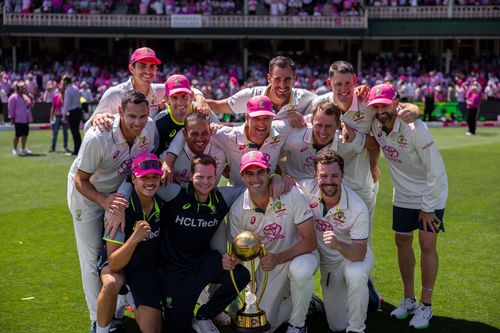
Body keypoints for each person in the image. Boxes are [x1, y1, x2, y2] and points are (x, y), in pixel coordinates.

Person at [67, 90, 157, 333]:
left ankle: (116, 308)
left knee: (114, 251)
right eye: (131, 116)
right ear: (120, 112)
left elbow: (137, 169)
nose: (137, 123)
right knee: (91, 257)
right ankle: (97, 321)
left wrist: (118, 200)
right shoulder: (98, 137)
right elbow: (80, 180)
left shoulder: (149, 129)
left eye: (142, 116)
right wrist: (105, 201)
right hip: (88, 195)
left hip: (118, 192)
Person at [368, 84, 448, 329]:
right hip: (402, 195)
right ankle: (409, 299)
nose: (381, 110)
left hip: (430, 193)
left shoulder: (416, 129)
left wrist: (428, 207)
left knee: (426, 244)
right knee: (402, 242)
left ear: (396, 102)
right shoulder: (375, 125)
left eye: (385, 104)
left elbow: (435, 170)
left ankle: (426, 305)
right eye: (376, 106)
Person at [223, 151, 318, 333]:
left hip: (299, 255)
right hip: (268, 265)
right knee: (264, 324)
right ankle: (305, 300)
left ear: (269, 172)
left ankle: (298, 324)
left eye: (260, 172)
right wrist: (232, 260)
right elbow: (238, 250)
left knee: (301, 271)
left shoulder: (291, 195)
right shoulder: (237, 210)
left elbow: (310, 242)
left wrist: (278, 258)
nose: (255, 178)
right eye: (249, 173)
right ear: (242, 176)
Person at [159, 154, 250, 333]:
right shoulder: (174, 193)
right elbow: (142, 184)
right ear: (191, 176)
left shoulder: (222, 197)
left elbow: (253, 188)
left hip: (202, 264)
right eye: (200, 177)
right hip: (174, 271)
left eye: (210, 177)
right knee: (177, 327)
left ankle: (204, 315)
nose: (205, 182)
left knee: (241, 275)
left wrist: (276, 177)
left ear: (216, 177)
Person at [300, 151, 373, 333]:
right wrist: (278, 178)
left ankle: (357, 328)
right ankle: (317, 301)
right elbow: (285, 182)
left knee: (356, 274)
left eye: (334, 175)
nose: (329, 181)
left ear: (342, 176)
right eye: (323, 175)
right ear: (315, 176)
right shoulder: (307, 190)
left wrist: (339, 244)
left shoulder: (357, 206)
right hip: (329, 265)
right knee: (337, 325)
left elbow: (360, 252)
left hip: (352, 255)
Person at [98, 153, 165, 333]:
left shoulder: (161, 205)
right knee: (112, 282)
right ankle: (101, 330)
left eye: (155, 177)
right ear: (133, 179)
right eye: (144, 177)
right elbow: (113, 263)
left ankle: (129, 297)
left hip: (145, 270)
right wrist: (135, 238)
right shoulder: (118, 210)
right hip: (119, 269)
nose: (150, 182)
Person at [86, 47, 208, 132]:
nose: (148, 71)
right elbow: (87, 128)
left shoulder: (158, 90)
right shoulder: (115, 94)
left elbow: (187, 89)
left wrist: (200, 98)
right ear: (131, 68)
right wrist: (96, 120)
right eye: (142, 66)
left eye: (152, 66)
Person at [206, 56, 316, 127]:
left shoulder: (304, 97)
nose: (282, 85)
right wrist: (198, 96)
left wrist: (304, 118)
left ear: (294, 79)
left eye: (287, 79)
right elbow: (217, 106)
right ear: (269, 78)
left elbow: (327, 106)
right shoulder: (251, 96)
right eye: (277, 79)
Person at [281, 101, 368, 182]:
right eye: (319, 125)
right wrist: (276, 176)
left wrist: (373, 166)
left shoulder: (346, 139)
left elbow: (372, 145)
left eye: (328, 126)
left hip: (326, 189)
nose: (323, 131)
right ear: (311, 121)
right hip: (293, 187)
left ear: (338, 125)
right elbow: (272, 152)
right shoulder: (295, 135)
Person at [154, 74, 219, 157]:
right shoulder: (159, 121)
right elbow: (154, 153)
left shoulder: (204, 112)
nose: (180, 102)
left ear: (191, 96)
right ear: (166, 99)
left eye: (184, 96)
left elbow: (222, 143)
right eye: (174, 97)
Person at [163, 111, 226, 185]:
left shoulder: (220, 153)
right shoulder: (169, 157)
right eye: (194, 134)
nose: (200, 139)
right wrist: (172, 177)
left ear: (210, 132)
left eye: (204, 133)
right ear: (185, 134)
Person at [8, 81, 33, 156]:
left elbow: (30, 105)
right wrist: (12, 118)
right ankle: (15, 149)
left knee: (25, 135)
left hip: (26, 119)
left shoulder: (25, 96)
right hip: (18, 119)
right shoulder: (13, 97)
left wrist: (31, 98)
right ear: (17, 88)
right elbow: (11, 108)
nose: (23, 88)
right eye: (21, 87)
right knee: (17, 135)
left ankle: (23, 148)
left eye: (23, 87)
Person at [62, 75, 83, 156]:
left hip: (73, 112)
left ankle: (76, 150)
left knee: (74, 132)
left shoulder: (68, 90)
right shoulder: (76, 88)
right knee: (76, 132)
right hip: (78, 111)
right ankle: (78, 149)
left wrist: (64, 115)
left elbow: (67, 104)